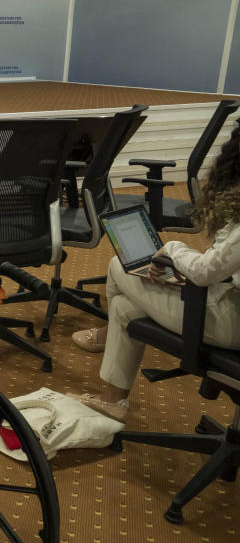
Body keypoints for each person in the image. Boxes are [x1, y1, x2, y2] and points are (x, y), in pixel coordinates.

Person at [71, 122, 240, 422]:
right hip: (227, 300)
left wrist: (173, 249)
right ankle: (112, 400)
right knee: (125, 307)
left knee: (117, 265)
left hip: (231, 322)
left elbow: (203, 272)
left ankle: (106, 335)